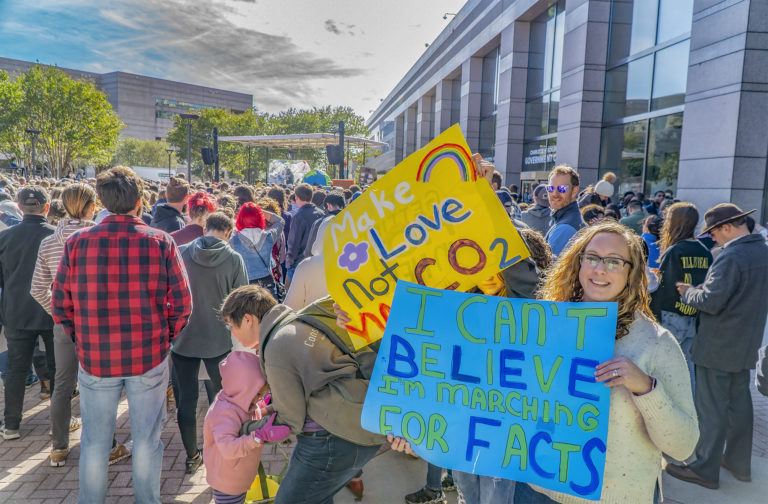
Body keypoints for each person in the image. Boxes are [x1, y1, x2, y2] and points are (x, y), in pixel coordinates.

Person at [390, 221, 699, 504]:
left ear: (631, 271)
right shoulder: (543, 327)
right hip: (535, 492)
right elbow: (489, 402)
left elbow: (683, 448)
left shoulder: (655, 344)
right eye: (591, 257)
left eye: (614, 261)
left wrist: (645, 388)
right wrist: (422, 431)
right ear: (577, 263)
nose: (600, 269)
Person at [52, 166, 193, 503]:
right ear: (140, 202)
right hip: (147, 357)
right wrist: (165, 338)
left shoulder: (78, 243)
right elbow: (183, 304)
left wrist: (83, 339)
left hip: (97, 358)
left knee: (95, 443)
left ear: (100, 201)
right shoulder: (161, 242)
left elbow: (60, 305)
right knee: (147, 440)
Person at [221, 285, 385, 504]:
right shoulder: (297, 322)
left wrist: (243, 430)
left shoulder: (276, 346)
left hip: (332, 440)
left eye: (231, 325)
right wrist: (272, 406)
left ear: (249, 320)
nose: (231, 332)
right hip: (358, 423)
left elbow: (289, 423)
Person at [667, 203, 768, 489]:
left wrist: (689, 292)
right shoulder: (761, 250)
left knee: (711, 408)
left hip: (718, 345)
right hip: (745, 342)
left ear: (726, 227)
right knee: (739, 404)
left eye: (713, 233)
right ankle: (738, 463)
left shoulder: (732, 255)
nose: (712, 239)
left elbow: (711, 301)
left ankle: (704, 467)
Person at [29, 183, 130, 466]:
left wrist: (59, 314)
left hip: (64, 324)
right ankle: (107, 446)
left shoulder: (49, 242)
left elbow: (38, 289)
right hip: (99, 323)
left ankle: (59, 447)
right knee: (99, 385)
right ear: (89, 206)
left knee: (62, 386)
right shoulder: (100, 239)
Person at [173, 212, 248, 474]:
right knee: (221, 400)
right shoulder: (234, 258)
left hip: (183, 338)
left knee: (186, 401)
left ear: (205, 229)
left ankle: (192, 455)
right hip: (219, 340)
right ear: (228, 233)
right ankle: (219, 449)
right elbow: (241, 303)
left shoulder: (180, 252)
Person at [0, 186, 56, 440]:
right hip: (51, 309)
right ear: (47, 207)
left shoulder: (5, 238)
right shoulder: (56, 237)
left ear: (19, 207)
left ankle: (11, 424)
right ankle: (60, 422)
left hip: (17, 310)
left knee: (16, 369)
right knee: (59, 368)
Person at [203, 351, 291, 504]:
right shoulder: (224, 413)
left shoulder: (239, 401)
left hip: (238, 478)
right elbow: (228, 448)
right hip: (228, 483)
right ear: (243, 389)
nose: (260, 398)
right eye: (258, 394)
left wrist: (269, 409)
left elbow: (251, 413)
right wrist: (258, 436)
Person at [649, 203, 712, 389]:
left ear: (675, 223)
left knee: (663, 371)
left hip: (669, 317)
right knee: (687, 371)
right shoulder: (704, 251)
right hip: (693, 316)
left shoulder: (674, 251)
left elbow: (664, 288)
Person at [230, 202, 285, 300]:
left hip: (246, 285)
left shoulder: (233, 240)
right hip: (267, 283)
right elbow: (280, 221)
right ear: (260, 218)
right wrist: (261, 211)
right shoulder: (268, 236)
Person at [284, 183, 324, 283]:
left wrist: (289, 263)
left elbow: (293, 242)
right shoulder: (321, 213)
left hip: (300, 263)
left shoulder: (298, 216)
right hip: (317, 261)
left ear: (296, 197)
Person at [544, 164, 585, 256]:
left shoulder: (565, 228)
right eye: (550, 188)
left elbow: (546, 268)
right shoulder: (567, 219)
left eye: (561, 188)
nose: (554, 193)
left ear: (575, 191)